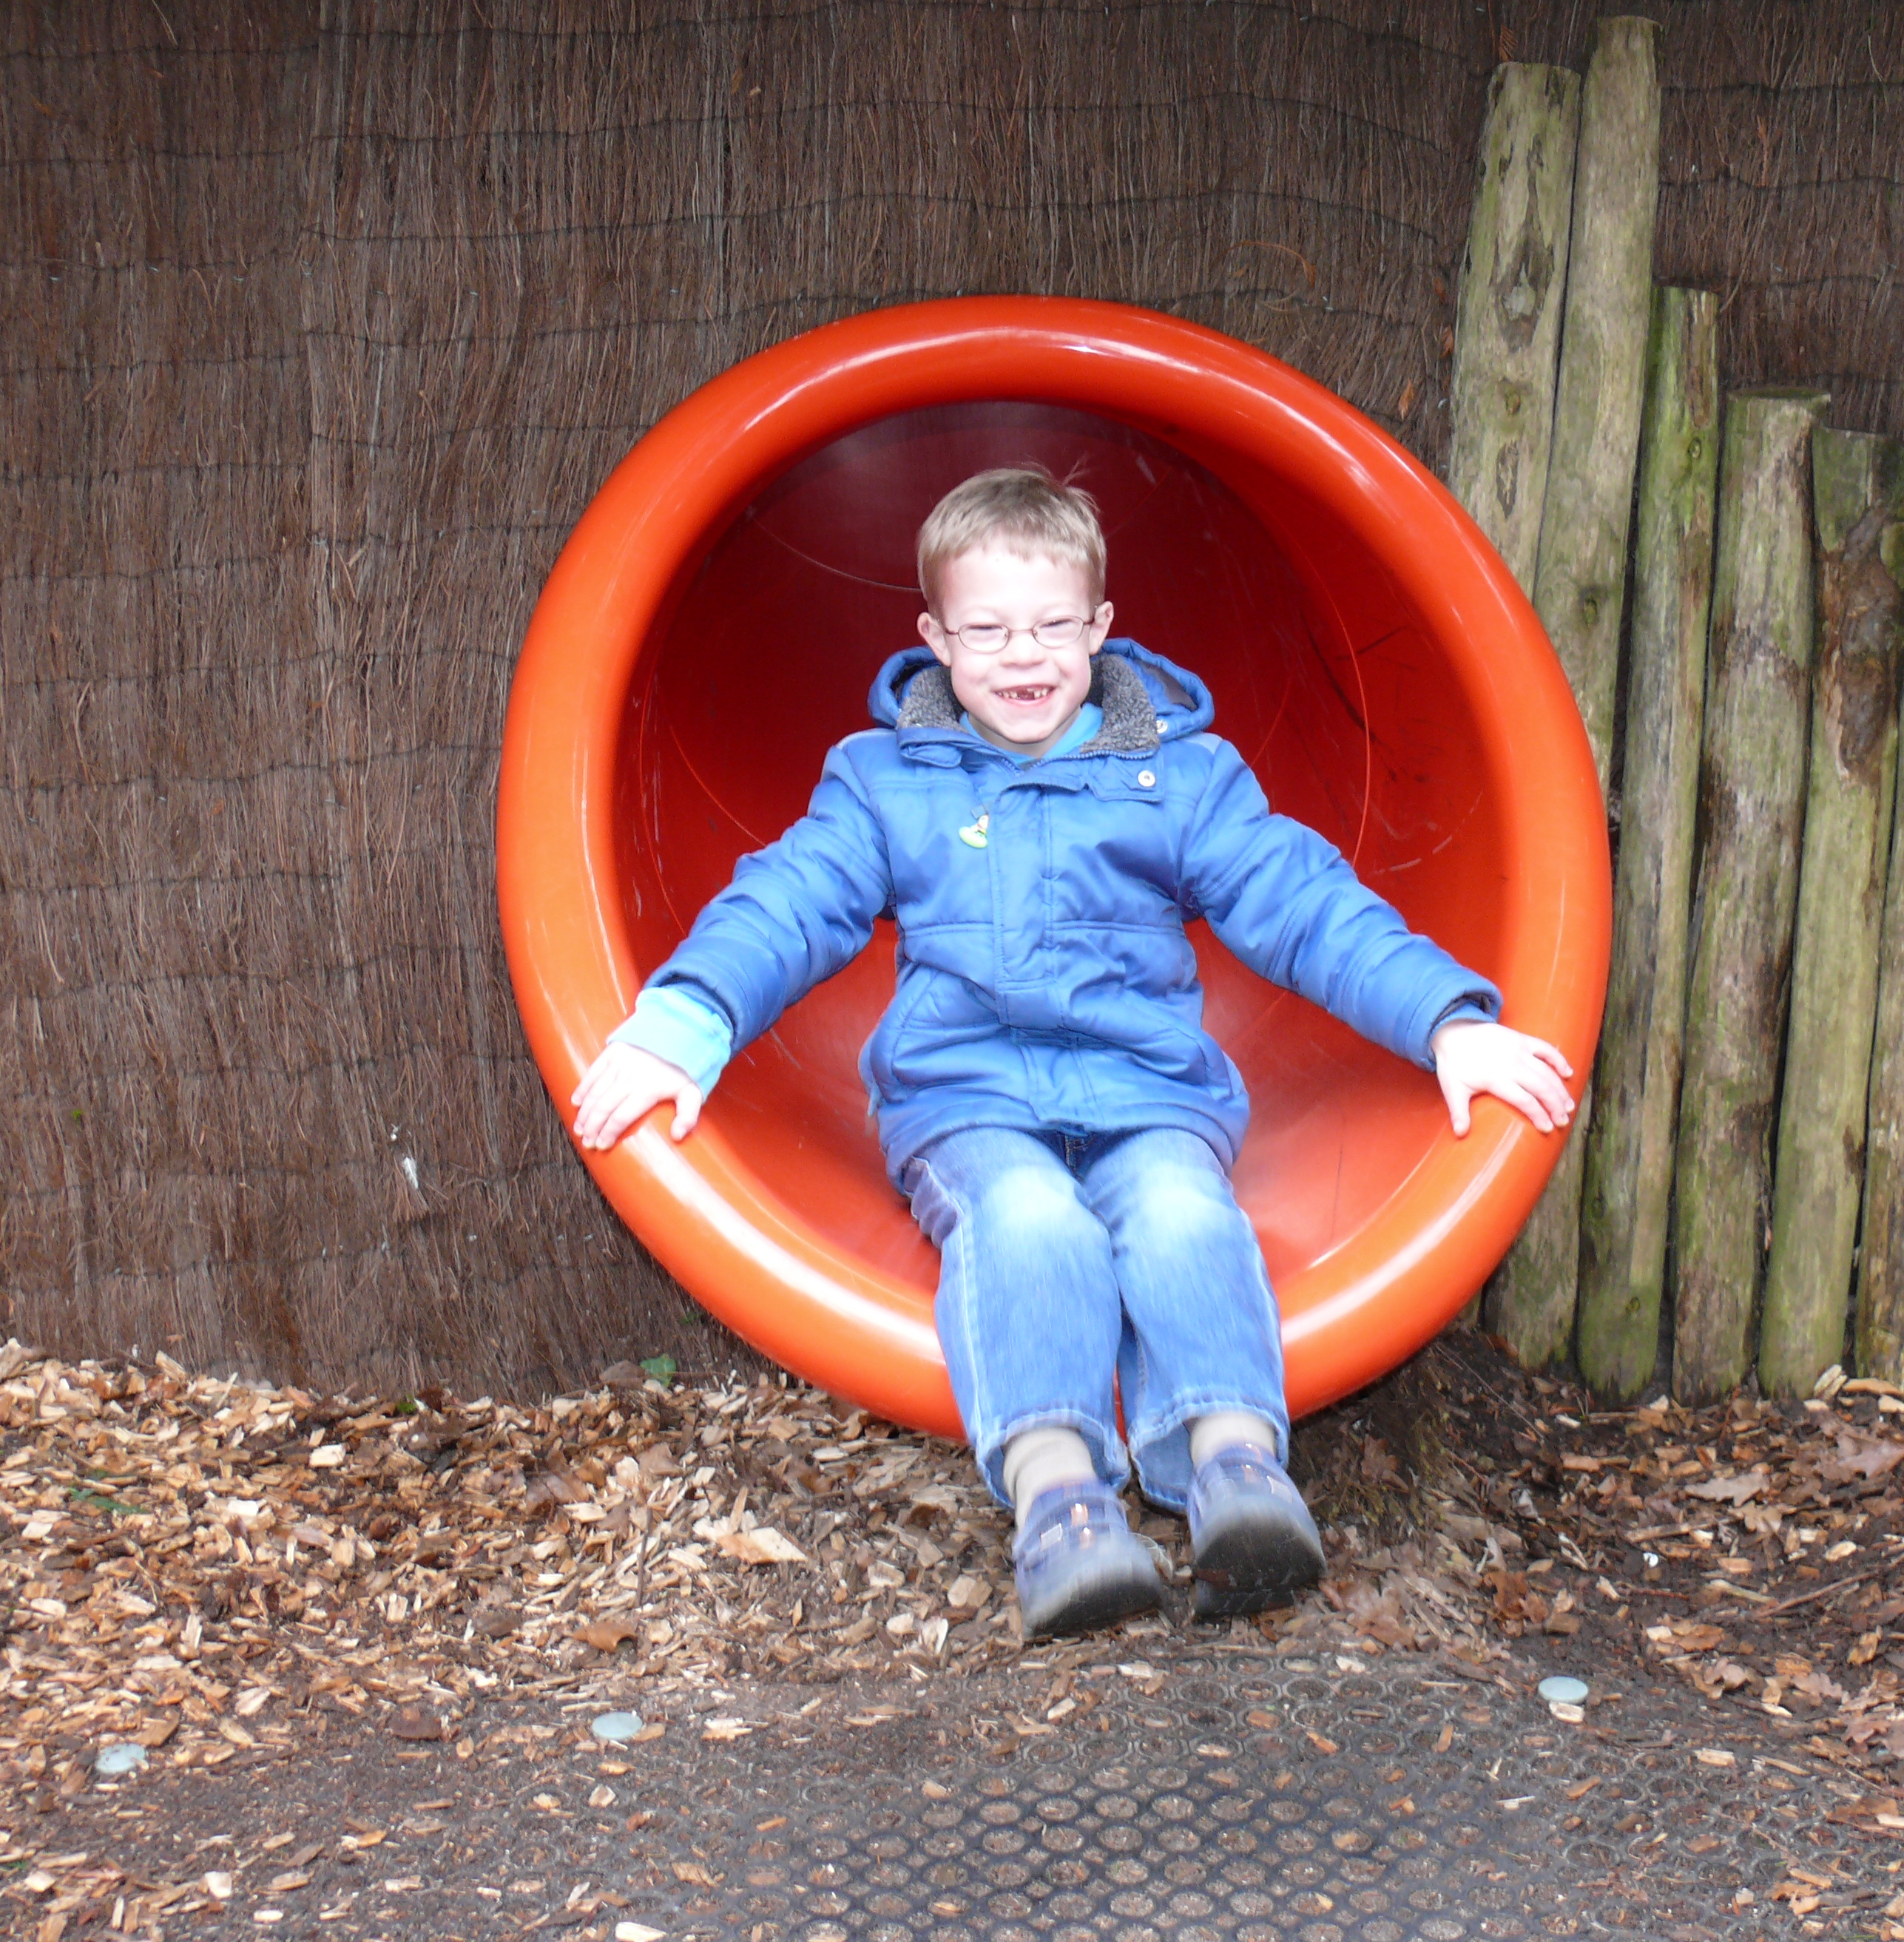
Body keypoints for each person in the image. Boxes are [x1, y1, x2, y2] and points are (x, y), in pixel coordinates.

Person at [570, 467, 1575, 1639]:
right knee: (1030, 1223)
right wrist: (687, 1023)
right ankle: (1060, 1500)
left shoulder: (1180, 780)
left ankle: (1237, 1468)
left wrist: (1448, 1021)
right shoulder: (890, 782)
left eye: (1053, 626)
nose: (1024, 656)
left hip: (1146, 1094)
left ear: (1101, 628)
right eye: (988, 630)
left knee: (1185, 1217)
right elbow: (789, 903)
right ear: (935, 639)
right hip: (970, 1102)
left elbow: (1305, 906)